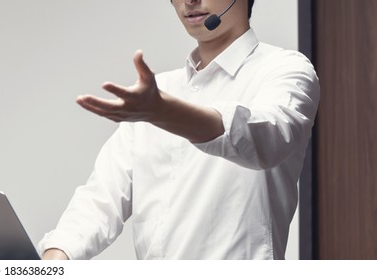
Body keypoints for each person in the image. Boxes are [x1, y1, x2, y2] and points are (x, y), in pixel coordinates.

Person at [39, 0, 320, 260]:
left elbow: (267, 139)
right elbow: (100, 199)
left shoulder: (284, 69)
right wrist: (56, 257)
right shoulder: (158, 93)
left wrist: (164, 112)